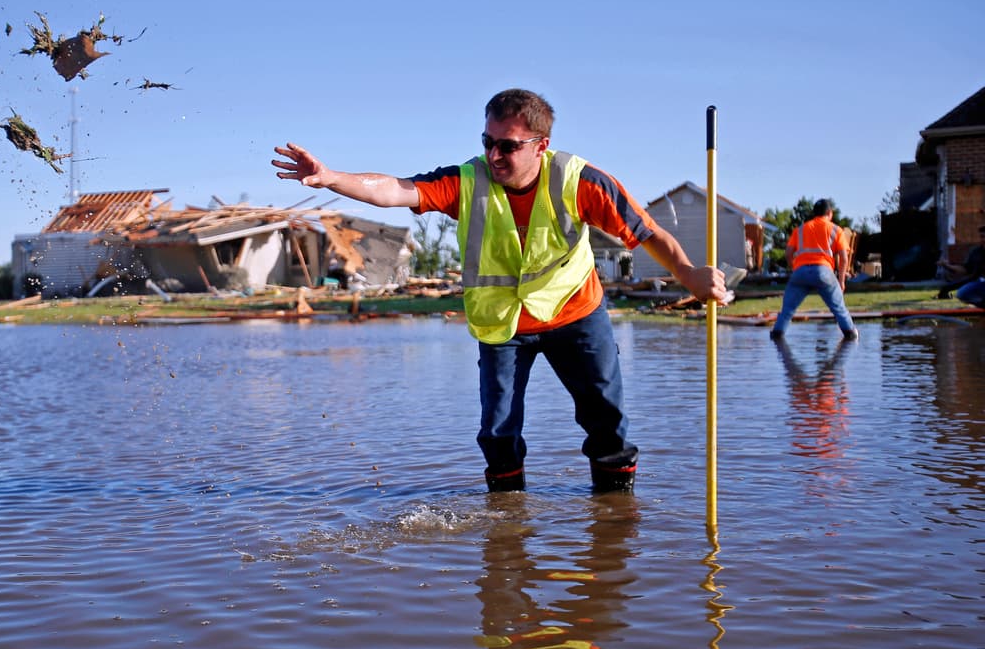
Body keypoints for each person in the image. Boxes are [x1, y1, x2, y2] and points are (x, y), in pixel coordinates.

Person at [272, 88, 728, 493]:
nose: (494, 155)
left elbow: (645, 234)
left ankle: (614, 520)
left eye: (507, 146)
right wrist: (333, 178)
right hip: (503, 325)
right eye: (487, 142)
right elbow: (396, 189)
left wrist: (688, 274)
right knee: (497, 431)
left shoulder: (581, 181)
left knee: (605, 420)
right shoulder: (467, 181)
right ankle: (508, 529)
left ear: (540, 146)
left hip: (575, 314)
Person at [769, 199, 858, 341]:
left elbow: (788, 253)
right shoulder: (836, 230)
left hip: (800, 272)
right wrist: (841, 281)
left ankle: (777, 335)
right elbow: (844, 258)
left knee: (786, 311)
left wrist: (796, 269)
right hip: (824, 272)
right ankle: (851, 334)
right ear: (829, 213)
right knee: (839, 309)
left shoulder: (800, 230)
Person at [936, 224, 985, 306]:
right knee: (962, 293)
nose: (983, 239)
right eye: (982, 236)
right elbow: (966, 270)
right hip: (980, 283)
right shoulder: (977, 252)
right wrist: (947, 266)